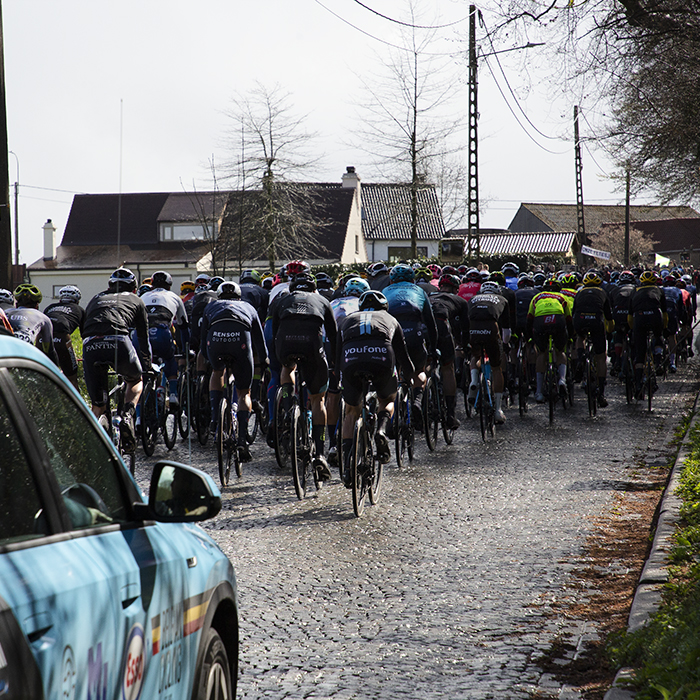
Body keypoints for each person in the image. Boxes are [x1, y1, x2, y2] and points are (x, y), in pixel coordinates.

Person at [336, 290, 416, 486]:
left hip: (351, 359)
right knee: (388, 398)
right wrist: (409, 378)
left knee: (351, 411)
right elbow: (403, 356)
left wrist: (337, 379)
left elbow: (336, 355)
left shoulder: (348, 319)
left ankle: (348, 463)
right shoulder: (390, 319)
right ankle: (381, 430)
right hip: (381, 358)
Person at [271, 272, 337, 481]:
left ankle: (289, 404)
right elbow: (333, 335)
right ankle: (319, 453)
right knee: (318, 400)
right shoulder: (323, 300)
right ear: (314, 289)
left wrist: (278, 357)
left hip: (286, 343)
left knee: (287, 367)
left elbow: (274, 331)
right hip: (312, 345)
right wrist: (334, 363)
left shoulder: (281, 299)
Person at [82, 268, 151, 450]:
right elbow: (143, 339)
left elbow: (85, 328)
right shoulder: (136, 300)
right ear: (134, 288)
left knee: (98, 404)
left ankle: (89, 445)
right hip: (118, 341)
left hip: (90, 344)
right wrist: (147, 365)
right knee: (135, 380)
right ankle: (128, 416)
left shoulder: (96, 298)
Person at [200, 281, 268, 463]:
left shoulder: (211, 306)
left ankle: (215, 420)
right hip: (240, 343)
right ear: (239, 296)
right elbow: (259, 341)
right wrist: (265, 360)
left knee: (217, 371)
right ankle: (242, 440)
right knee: (244, 392)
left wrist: (207, 356)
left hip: (215, 343)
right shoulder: (248, 307)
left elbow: (202, 338)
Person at [383, 263, 438, 431]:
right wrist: (432, 349)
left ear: (391, 280)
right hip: (415, 334)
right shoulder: (419, 291)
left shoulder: (385, 292)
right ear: (412, 280)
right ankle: (416, 402)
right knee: (419, 370)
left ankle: (391, 413)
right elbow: (431, 324)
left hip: (392, 336)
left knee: (394, 371)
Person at [139, 271, 190, 408]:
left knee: (142, 371)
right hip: (162, 333)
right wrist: (186, 348)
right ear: (169, 286)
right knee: (169, 358)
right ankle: (172, 393)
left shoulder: (143, 296)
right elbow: (183, 326)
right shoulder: (175, 297)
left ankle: (137, 415)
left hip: (142, 336)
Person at [427, 273, 470, 429]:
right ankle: (451, 415)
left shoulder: (428, 296)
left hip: (425, 326)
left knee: (424, 363)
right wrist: (465, 347)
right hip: (441, 325)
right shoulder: (459, 301)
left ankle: (424, 399)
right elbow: (465, 329)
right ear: (456, 289)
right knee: (448, 368)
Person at [466, 280, 510, 424]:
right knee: (497, 368)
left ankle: (473, 381)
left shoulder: (473, 299)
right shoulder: (502, 299)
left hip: (473, 329)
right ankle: (498, 410)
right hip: (491, 329)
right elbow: (507, 330)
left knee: (476, 355)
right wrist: (504, 344)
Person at [526, 277, 573, 405]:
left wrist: (529, 337)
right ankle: (562, 380)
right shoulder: (563, 297)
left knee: (542, 353)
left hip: (540, 320)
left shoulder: (537, 297)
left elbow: (529, 318)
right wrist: (570, 338)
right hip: (558, 319)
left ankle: (539, 392)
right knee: (559, 351)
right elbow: (568, 319)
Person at [572, 270, 614, 407]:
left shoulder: (579, 293)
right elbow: (609, 317)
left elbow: (574, 313)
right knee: (601, 357)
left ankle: (580, 358)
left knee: (580, 336)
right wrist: (609, 332)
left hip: (580, 320)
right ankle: (601, 392)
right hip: (597, 321)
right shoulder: (603, 293)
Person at [628, 270, 667, 398]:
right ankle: (658, 358)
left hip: (639, 319)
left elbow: (630, 316)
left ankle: (638, 383)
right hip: (655, 316)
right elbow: (665, 313)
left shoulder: (635, 291)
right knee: (658, 336)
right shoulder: (659, 290)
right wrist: (663, 328)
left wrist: (633, 329)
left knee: (640, 354)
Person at [43, 285, 85, 390]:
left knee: (43, 377)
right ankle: (74, 405)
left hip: (43, 339)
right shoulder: (80, 309)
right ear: (77, 300)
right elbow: (84, 335)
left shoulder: (50, 307)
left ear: (60, 299)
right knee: (71, 377)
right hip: (62, 338)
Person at [8, 284, 59, 365]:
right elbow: (49, 350)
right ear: (37, 305)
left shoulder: (5, 312)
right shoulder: (43, 318)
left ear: (17, 304)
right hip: (23, 353)